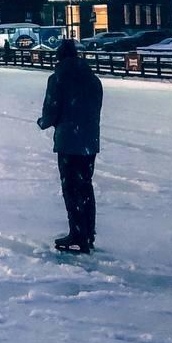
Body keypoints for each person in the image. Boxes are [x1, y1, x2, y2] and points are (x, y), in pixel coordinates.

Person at [37, 39, 103, 254]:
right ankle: (88, 232)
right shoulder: (93, 80)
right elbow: (95, 108)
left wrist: (44, 122)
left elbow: (52, 109)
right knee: (86, 186)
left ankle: (77, 234)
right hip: (89, 141)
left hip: (68, 141)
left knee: (70, 188)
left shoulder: (58, 78)